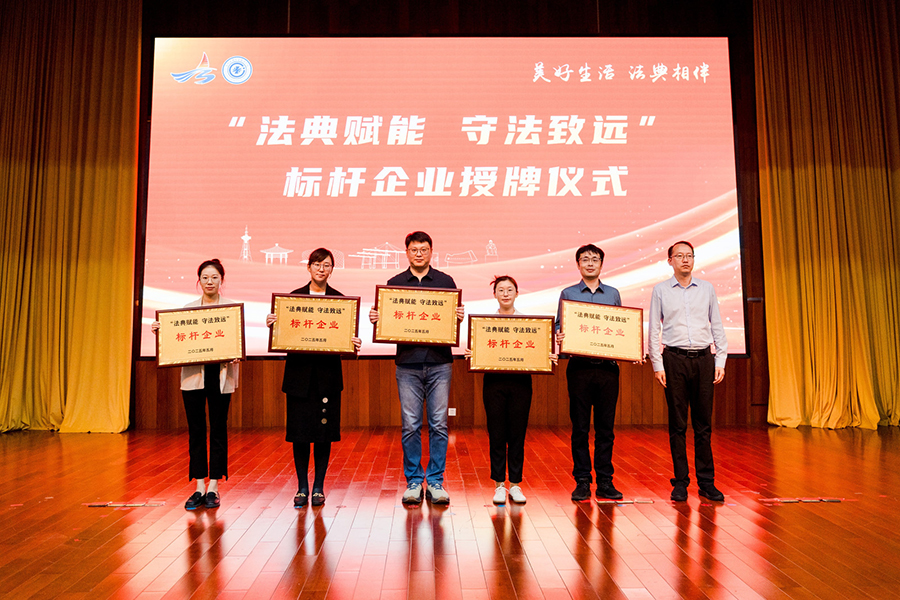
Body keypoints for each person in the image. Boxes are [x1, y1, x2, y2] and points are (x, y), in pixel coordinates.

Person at [369, 231, 465, 505]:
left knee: (439, 425)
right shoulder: (394, 284)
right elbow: (388, 320)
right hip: (407, 364)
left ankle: (435, 481)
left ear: (431, 252)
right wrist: (378, 318)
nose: (419, 254)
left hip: (439, 363)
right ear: (407, 252)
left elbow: (449, 319)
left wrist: (457, 317)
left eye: (424, 249)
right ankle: (413, 481)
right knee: (410, 425)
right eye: (414, 249)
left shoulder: (446, 282)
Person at [266, 248, 361, 508]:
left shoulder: (340, 302)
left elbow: (345, 340)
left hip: (327, 378)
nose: (321, 269)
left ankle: (318, 486)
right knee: (299, 434)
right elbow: (284, 335)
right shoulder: (292, 299)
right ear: (308, 267)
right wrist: (274, 325)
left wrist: (352, 343)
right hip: (299, 378)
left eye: (326, 265)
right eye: (317, 264)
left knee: (323, 434)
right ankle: (302, 487)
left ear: (332, 270)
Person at [151, 258, 240, 510]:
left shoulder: (231, 310)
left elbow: (236, 343)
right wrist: (161, 332)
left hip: (220, 377)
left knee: (218, 430)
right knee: (196, 430)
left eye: (214, 277)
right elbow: (176, 342)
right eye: (205, 277)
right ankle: (199, 485)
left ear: (222, 280)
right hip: (193, 378)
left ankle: (214, 486)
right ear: (199, 281)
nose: (209, 282)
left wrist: (236, 352)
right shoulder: (187, 310)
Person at [648, 241, 728, 502]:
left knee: (703, 425)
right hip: (674, 360)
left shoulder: (707, 288)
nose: (685, 260)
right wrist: (657, 364)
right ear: (669, 261)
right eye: (679, 256)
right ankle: (680, 482)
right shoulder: (661, 290)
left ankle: (707, 482)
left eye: (689, 255)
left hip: (704, 359)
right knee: (678, 424)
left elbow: (717, 325)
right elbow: (654, 330)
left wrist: (720, 360)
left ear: (694, 259)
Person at [466, 276, 555, 505]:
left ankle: (515, 484)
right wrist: (473, 354)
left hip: (520, 383)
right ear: (494, 294)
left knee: (517, 434)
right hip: (494, 383)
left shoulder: (530, 324)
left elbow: (538, 350)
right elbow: (479, 351)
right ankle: (498, 485)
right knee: (496, 434)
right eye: (501, 290)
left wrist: (547, 355)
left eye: (509, 290)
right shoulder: (484, 324)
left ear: (517, 293)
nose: (505, 294)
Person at [556, 244, 624, 502]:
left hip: (608, 369)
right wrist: (560, 335)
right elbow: (560, 325)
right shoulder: (568, 293)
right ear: (578, 265)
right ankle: (582, 480)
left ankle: (605, 481)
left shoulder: (613, 294)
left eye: (595, 259)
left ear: (601, 264)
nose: (590, 263)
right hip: (580, 368)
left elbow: (622, 326)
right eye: (585, 259)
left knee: (606, 428)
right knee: (580, 427)